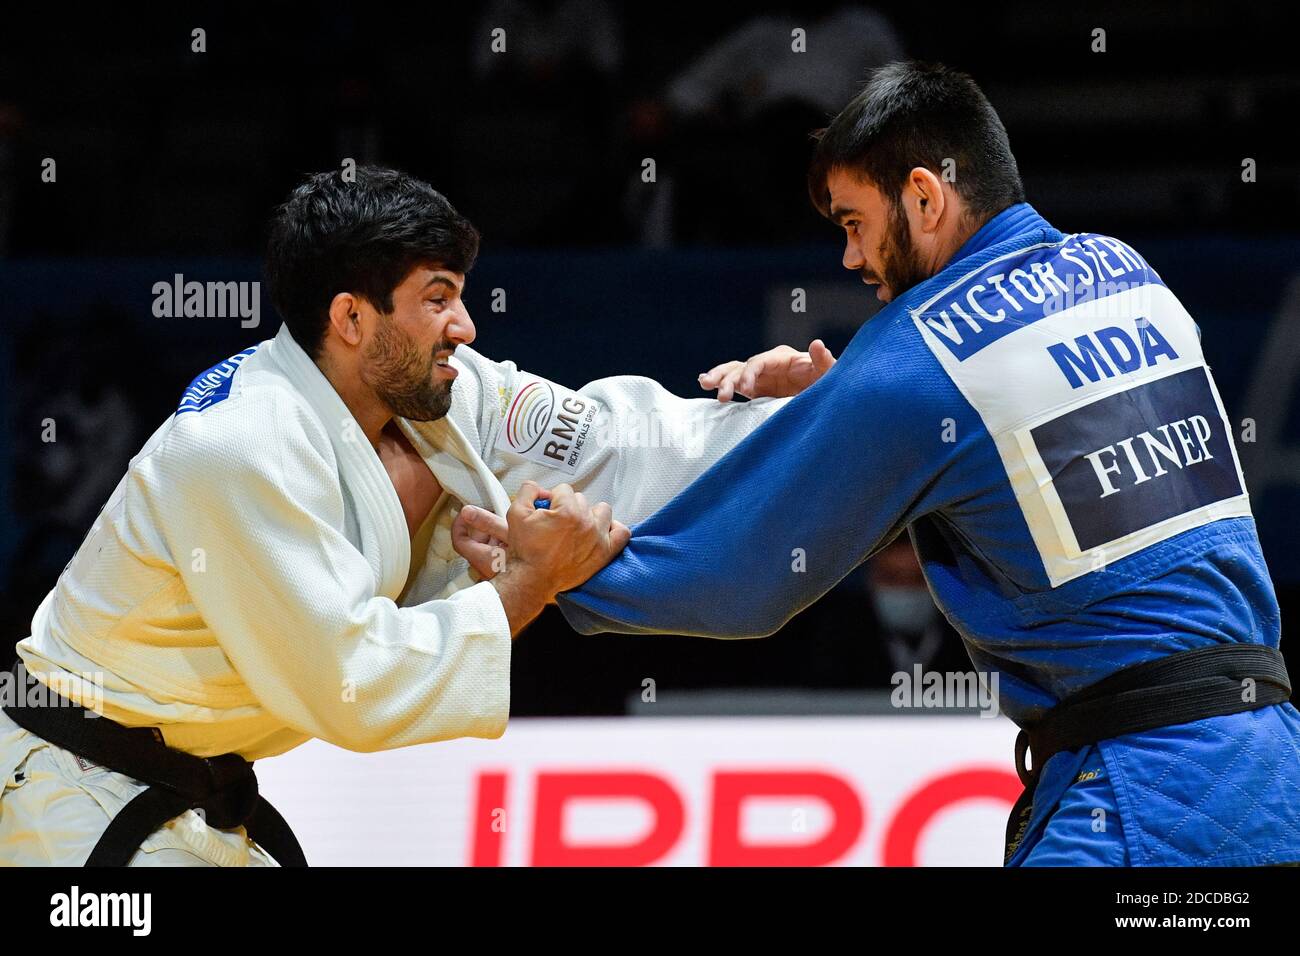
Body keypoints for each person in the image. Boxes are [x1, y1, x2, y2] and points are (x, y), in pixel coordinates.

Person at [555, 62, 1300, 866]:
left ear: (924, 196)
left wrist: (564, 573)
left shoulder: (917, 353)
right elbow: (1028, 438)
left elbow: (742, 579)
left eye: (853, 223)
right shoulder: (1130, 275)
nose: (850, 258)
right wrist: (850, 401)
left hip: (1138, 805)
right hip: (1273, 768)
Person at [0, 166, 788, 866]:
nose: (467, 328)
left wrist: (800, 418)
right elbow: (352, 686)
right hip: (75, 794)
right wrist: (526, 585)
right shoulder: (240, 445)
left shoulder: (445, 391)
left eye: (461, 296)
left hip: (199, 790)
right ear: (351, 318)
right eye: (437, 300)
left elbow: (619, 443)